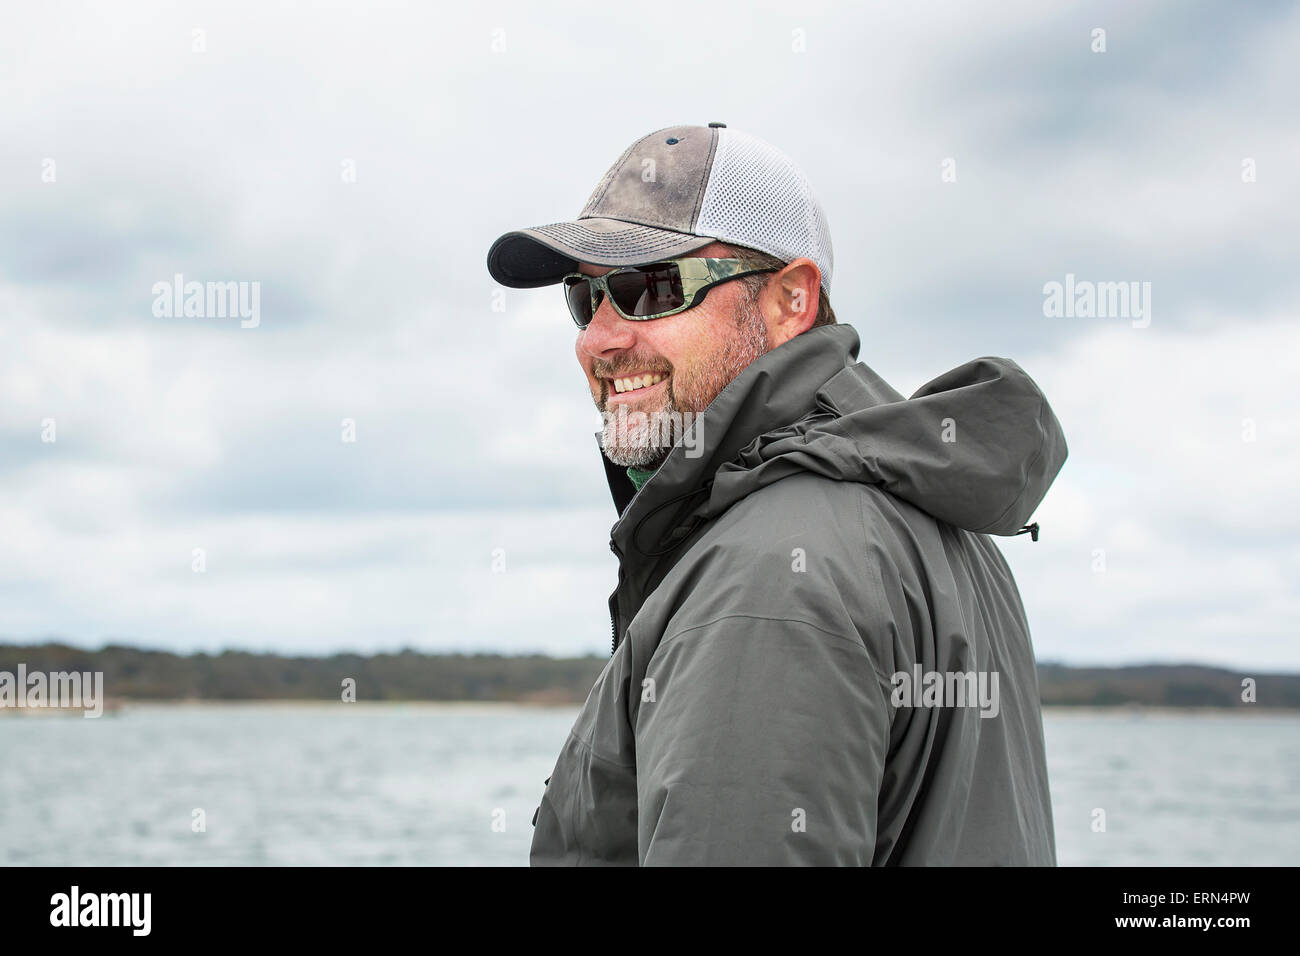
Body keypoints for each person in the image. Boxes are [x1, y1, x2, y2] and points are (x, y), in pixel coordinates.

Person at [486, 123, 1067, 865]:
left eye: (650, 288)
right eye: (586, 296)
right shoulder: (939, 519)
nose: (598, 339)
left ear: (791, 300)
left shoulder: (770, 572)